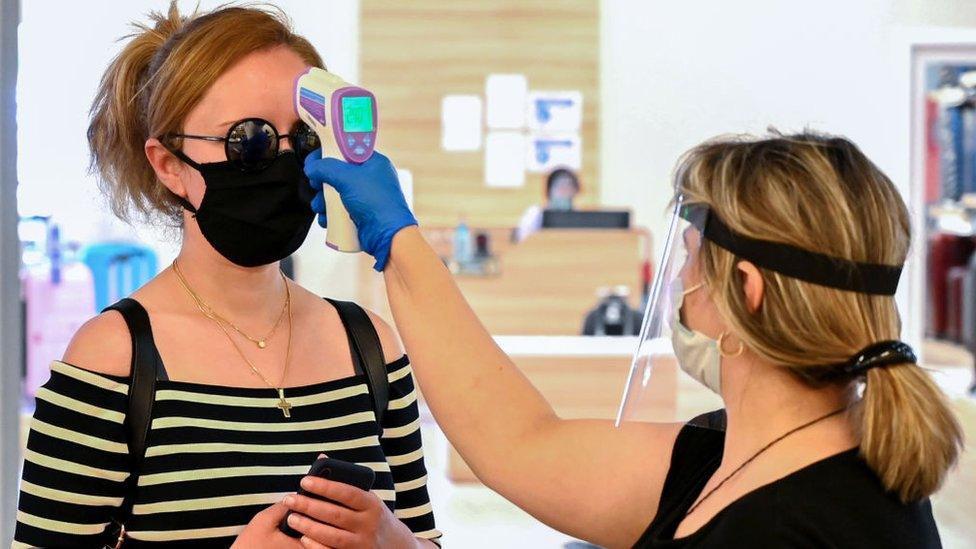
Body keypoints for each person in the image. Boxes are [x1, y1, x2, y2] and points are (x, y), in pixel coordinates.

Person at [304, 131, 963, 547]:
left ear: (747, 290)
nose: (680, 276)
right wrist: (398, 239)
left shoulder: (796, 525)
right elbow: (522, 443)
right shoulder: (737, 453)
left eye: (691, 252)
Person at [13, 4, 440, 548]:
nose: (286, 163)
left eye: (304, 139)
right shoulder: (112, 359)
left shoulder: (372, 345)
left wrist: (392, 542)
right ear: (169, 165)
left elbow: (426, 536)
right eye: (251, 141)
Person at [515, 167, 580, 241]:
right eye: (560, 186)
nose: (564, 190)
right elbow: (523, 238)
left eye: (568, 186)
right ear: (549, 190)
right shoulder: (536, 213)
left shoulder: (578, 214)